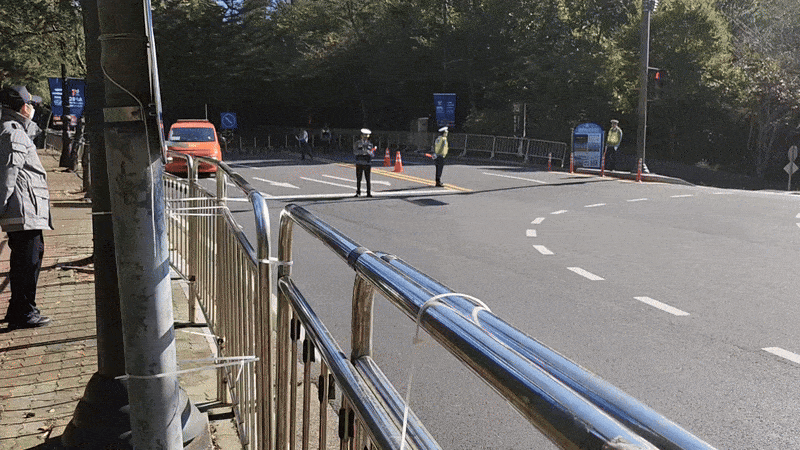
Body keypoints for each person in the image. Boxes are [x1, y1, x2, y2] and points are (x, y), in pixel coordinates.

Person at [0, 85, 54, 329]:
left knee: (27, 259)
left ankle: (19, 309)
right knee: (27, 261)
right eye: (30, 104)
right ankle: (24, 312)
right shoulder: (13, 132)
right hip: (24, 209)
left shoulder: (13, 130)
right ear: (23, 107)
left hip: (26, 209)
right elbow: (7, 176)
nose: (33, 108)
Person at [353, 128, 374, 197]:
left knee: (368, 178)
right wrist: (363, 152)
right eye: (364, 136)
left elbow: (372, 153)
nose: (365, 137)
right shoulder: (357, 143)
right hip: (359, 162)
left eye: (366, 136)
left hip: (367, 163)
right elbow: (355, 152)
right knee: (359, 178)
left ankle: (368, 192)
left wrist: (369, 153)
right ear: (361, 136)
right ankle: (358, 192)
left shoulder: (370, 144)